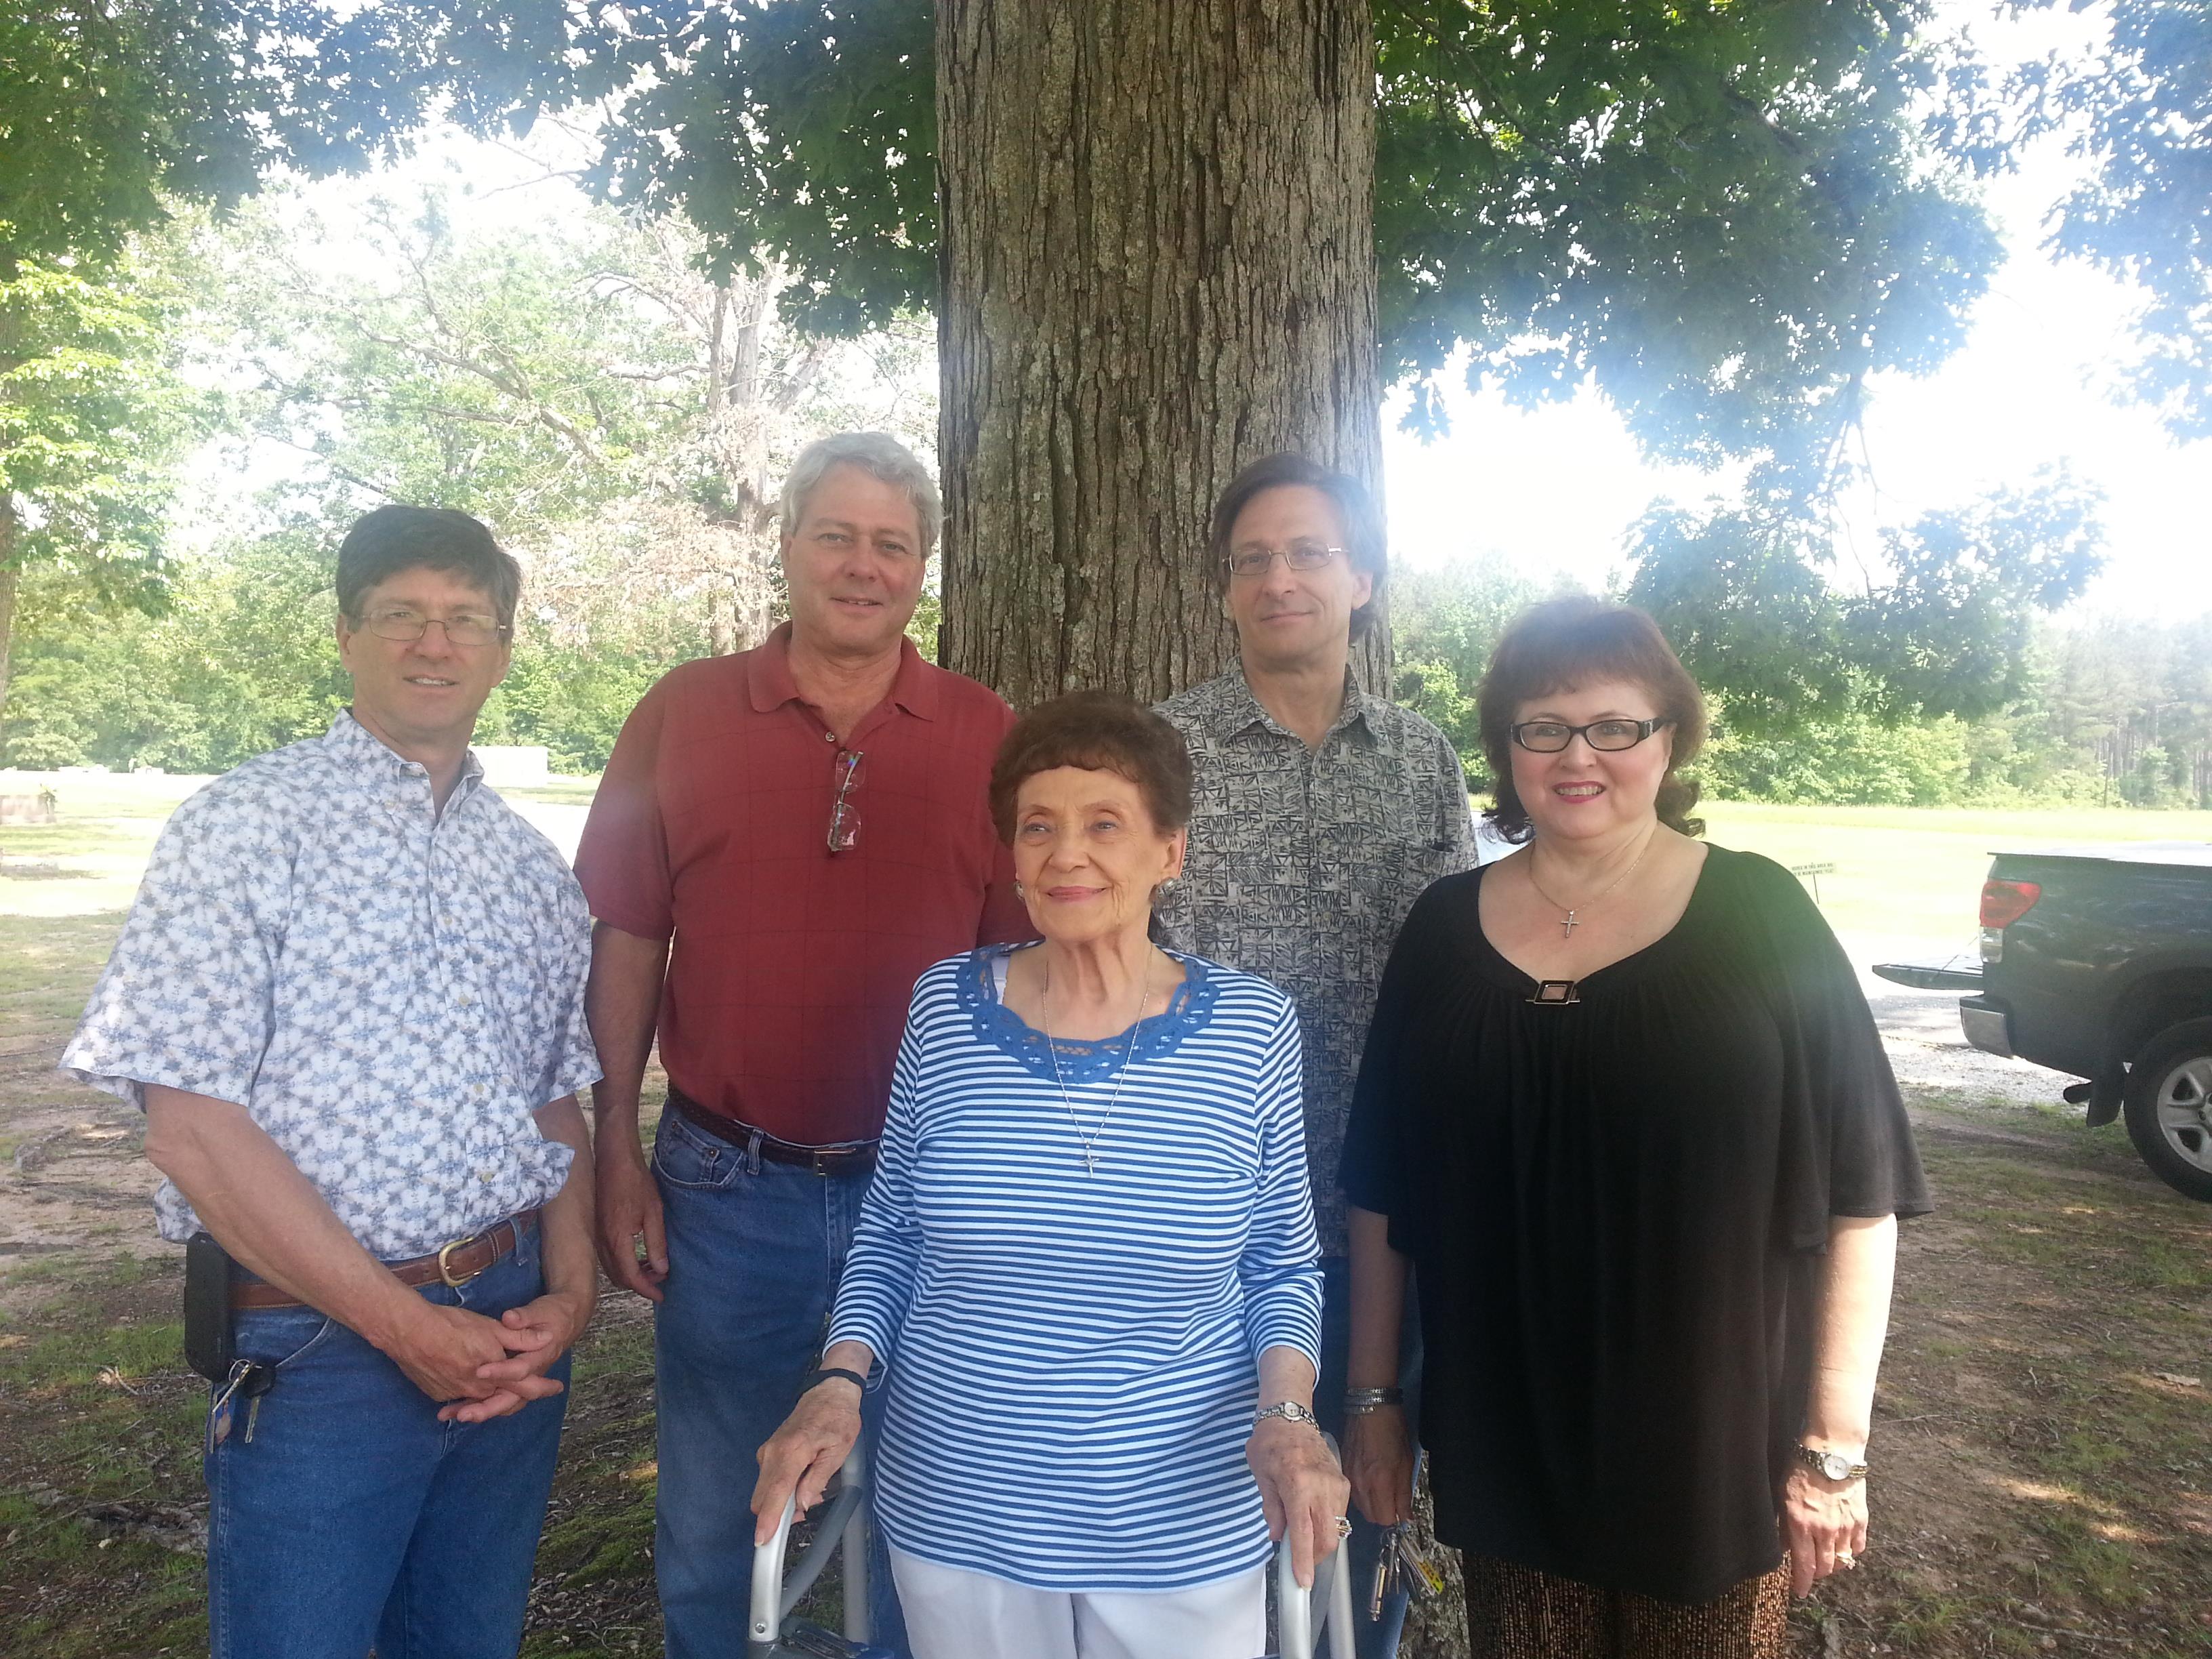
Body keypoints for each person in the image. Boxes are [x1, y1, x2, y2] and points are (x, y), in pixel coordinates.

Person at [1340, 596, 1932, 1658]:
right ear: (1507, 746)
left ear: (1669, 738)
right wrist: (1376, 1396)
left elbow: (1863, 1190)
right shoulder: (1440, 930)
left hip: (1710, 1451)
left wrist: (1834, 1447)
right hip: (1506, 1438)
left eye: (1616, 726)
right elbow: (1382, 1188)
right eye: (1545, 727)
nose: (1581, 756)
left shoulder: (1762, 916)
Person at [62, 505, 602, 1659]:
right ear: (347, 635)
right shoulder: (243, 830)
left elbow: (555, 1097)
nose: (434, 643)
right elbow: (192, 1131)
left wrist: (572, 1292)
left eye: (466, 620)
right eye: (401, 614)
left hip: (508, 1328)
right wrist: (403, 1326)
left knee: (467, 1641)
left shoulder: (527, 866)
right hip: (321, 1349)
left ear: (503, 649)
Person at [751, 691, 1347, 1659]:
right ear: (1014, 855)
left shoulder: (1250, 1029)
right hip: (961, 1508)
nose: (1067, 854)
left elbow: (1281, 1265)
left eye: (1104, 824)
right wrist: (838, 1381)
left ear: (1169, 852)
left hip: (1182, 1521)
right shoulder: (944, 1009)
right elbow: (892, 1231)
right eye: (1040, 828)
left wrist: (1286, 1417)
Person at [575, 432, 1029, 1658]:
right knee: (722, 1520)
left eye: (894, 543)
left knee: (925, 1523)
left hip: (929, 1192)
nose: (864, 565)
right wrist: (617, 1151)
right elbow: (626, 938)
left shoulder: (991, 736)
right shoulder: (682, 712)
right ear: (787, 546)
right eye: (837, 534)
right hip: (727, 1186)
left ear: (923, 566)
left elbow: (1016, 984)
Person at [1155, 451, 1477, 1656]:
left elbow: (1458, 984)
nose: (1279, 578)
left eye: (1307, 553)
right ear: (1229, 590)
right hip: (1207, 1229)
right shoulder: (1162, 754)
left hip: (1385, 1217)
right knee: (1215, 1516)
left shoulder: (1423, 761)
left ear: (1361, 580)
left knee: (1366, 1505)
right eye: (1253, 560)